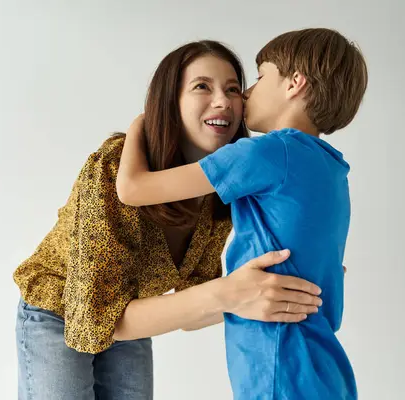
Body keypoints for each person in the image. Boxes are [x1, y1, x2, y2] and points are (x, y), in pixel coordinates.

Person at [13, 40, 323, 400]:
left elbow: (194, 309)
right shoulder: (114, 166)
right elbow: (89, 321)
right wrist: (226, 293)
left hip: (130, 318)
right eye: (202, 86)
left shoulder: (221, 188)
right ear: (170, 102)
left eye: (234, 89)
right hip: (60, 312)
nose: (222, 100)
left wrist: (266, 290)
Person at [117, 28, 368, 399]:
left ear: (294, 84)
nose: (247, 93)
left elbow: (133, 189)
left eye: (261, 76)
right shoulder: (333, 170)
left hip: (277, 364)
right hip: (321, 365)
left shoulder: (266, 153)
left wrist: (140, 124)